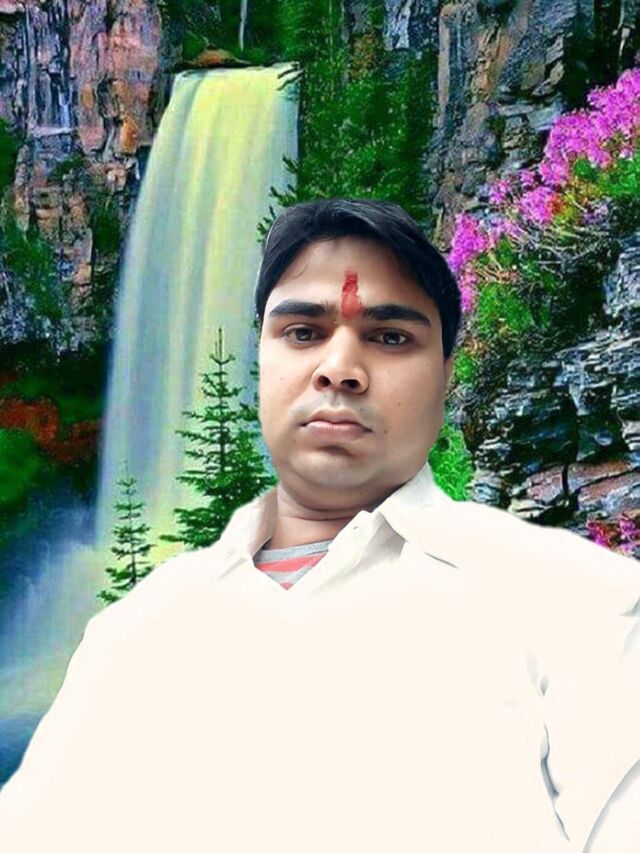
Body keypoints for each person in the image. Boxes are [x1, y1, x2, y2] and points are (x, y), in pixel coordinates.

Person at [0, 198, 639, 852]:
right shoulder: (133, 635)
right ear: (260, 358)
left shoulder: (583, 613)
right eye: (303, 332)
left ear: (447, 374)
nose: (339, 368)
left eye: (391, 337)